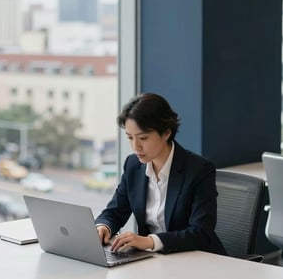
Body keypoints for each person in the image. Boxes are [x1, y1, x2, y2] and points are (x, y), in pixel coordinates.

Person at [95, 92, 226, 255]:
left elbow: (201, 233)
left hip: (196, 261)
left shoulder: (199, 170)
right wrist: (103, 227)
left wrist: (150, 241)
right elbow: (115, 211)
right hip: (154, 261)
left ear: (166, 133)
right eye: (130, 138)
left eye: (143, 138)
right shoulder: (133, 165)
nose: (136, 147)